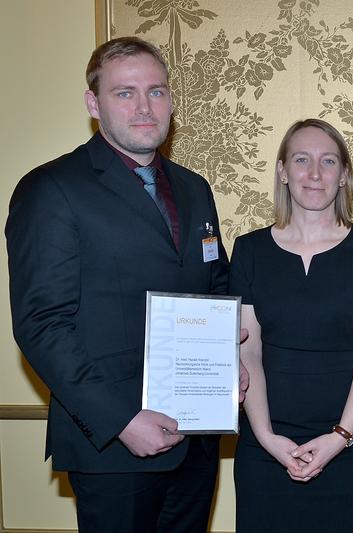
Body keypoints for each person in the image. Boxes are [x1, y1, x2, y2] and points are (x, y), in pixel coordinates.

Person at [5, 37, 238, 532]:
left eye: (156, 92)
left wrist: (228, 359)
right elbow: (42, 324)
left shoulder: (195, 188)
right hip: (113, 445)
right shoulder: (51, 189)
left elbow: (215, 286)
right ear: (94, 104)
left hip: (196, 437)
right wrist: (122, 420)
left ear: (172, 100)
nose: (143, 107)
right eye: (124, 93)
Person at [230, 118, 353, 533]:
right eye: (302, 160)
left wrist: (340, 437)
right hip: (263, 449)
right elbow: (247, 350)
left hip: (349, 448)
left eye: (328, 161)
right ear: (283, 171)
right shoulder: (248, 250)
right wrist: (266, 437)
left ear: (344, 176)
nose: (315, 173)